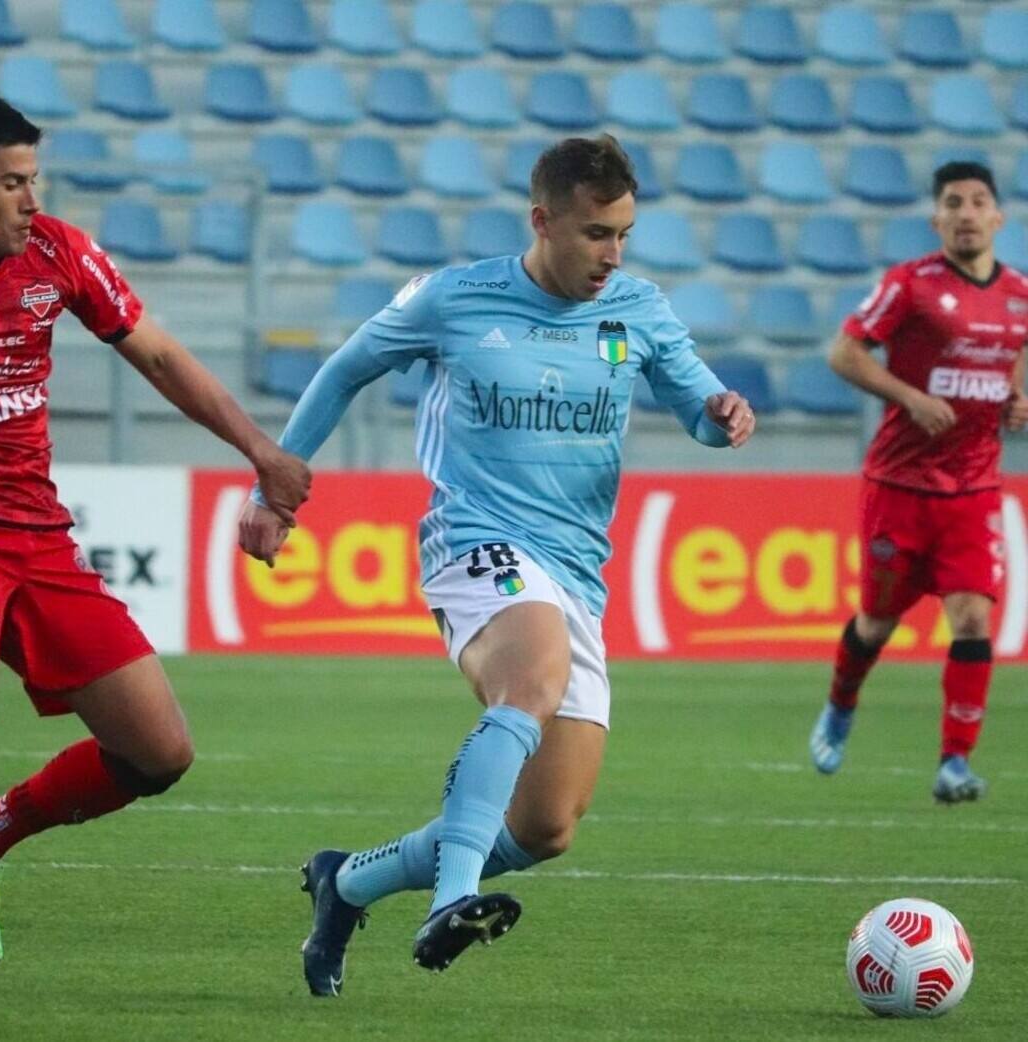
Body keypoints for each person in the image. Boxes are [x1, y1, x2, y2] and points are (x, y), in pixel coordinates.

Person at [237, 135, 756, 995]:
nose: (613, 254)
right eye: (595, 234)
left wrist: (723, 415)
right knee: (530, 679)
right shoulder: (454, 298)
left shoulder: (638, 309)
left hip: (576, 571)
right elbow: (345, 370)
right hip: (474, 541)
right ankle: (453, 899)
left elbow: (698, 404)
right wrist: (273, 489)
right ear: (542, 221)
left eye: (624, 235)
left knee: (546, 826)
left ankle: (348, 882)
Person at [0, 91, 311, 992]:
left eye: (34, 179)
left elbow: (159, 355)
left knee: (159, 753)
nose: (31, 199)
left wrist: (261, 450)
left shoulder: (57, 252)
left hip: (39, 536)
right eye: (13, 183)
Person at [809, 161, 1028, 801]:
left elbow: (1016, 353)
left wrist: (1018, 399)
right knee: (877, 624)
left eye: (978, 201)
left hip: (973, 489)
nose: (966, 213)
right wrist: (910, 397)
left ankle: (954, 762)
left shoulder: (1019, 294)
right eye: (953, 202)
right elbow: (843, 351)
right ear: (937, 220)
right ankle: (841, 704)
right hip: (899, 487)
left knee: (973, 620)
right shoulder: (910, 284)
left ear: (997, 217)